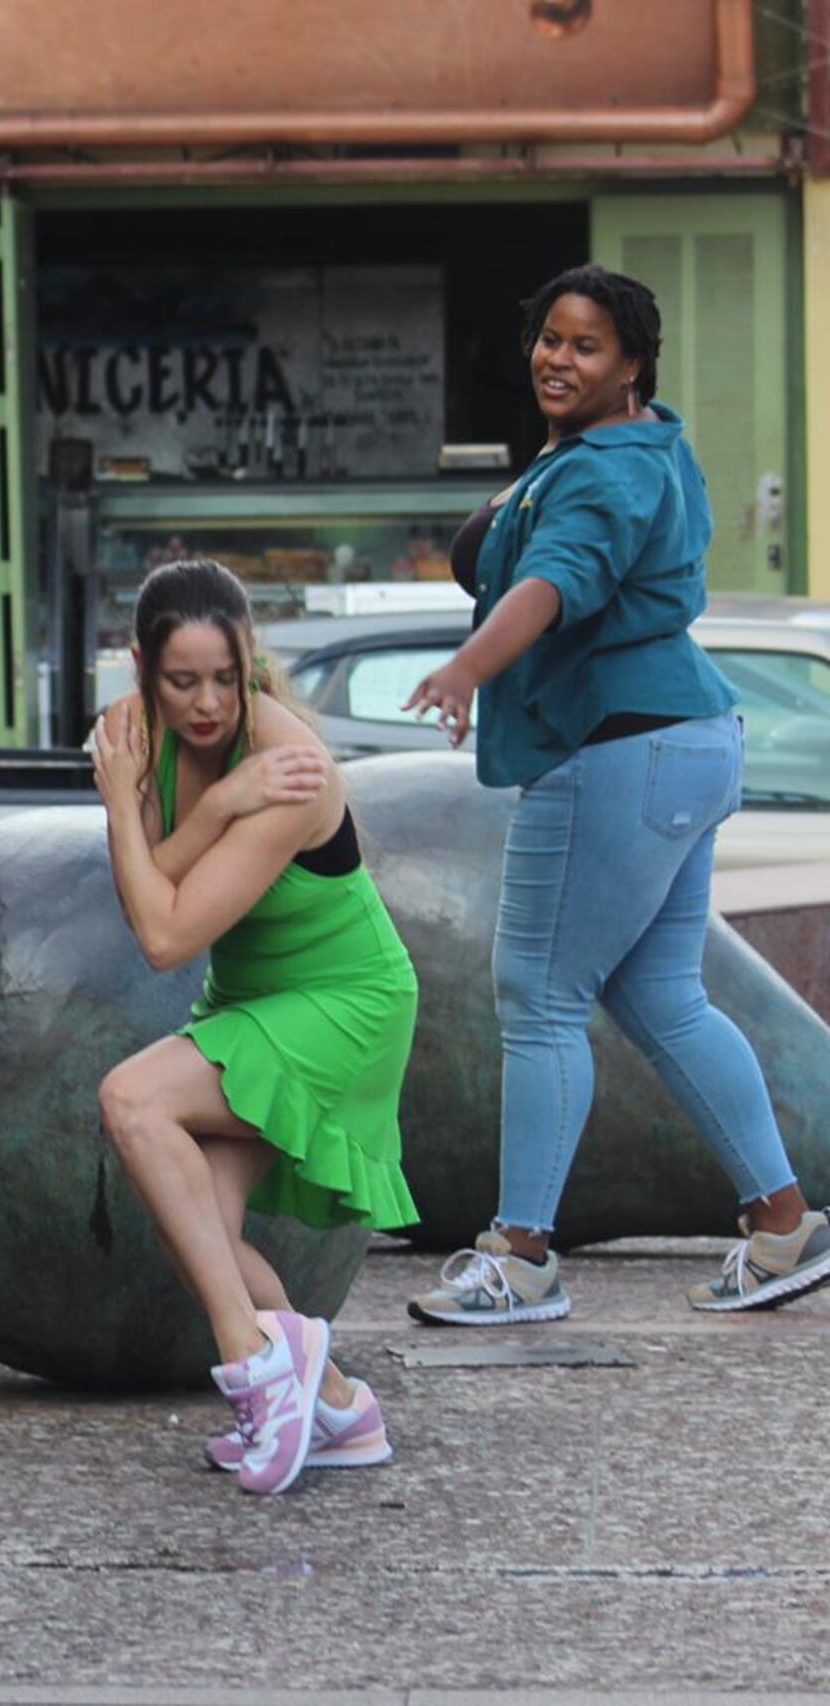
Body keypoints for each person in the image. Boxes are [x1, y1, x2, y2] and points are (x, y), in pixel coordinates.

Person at [403, 264, 830, 1324]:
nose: (557, 357)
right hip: (681, 739)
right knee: (662, 997)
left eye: (586, 346)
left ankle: (521, 1257)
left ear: (633, 364)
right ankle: (783, 1227)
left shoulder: (600, 477)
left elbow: (552, 584)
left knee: (538, 997)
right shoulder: (631, 449)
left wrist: (467, 668)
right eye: (549, 337)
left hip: (617, 749)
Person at [90, 558, 419, 1496]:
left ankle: (256, 1368)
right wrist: (188, 808)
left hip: (342, 1002)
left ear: (251, 662)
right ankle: (342, 1411)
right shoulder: (132, 738)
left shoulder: (286, 765)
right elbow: (155, 874)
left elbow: (160, 930)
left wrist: (150, 811)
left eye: (225, 679)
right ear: (143, 670)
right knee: (198, 1225)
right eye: (181, 681)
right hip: (250, 1000)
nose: (206, 705)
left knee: (132, 1102)